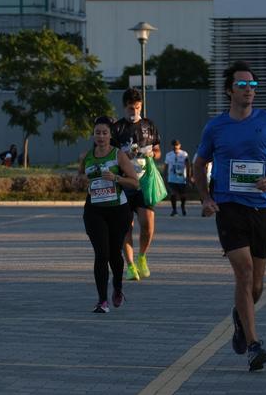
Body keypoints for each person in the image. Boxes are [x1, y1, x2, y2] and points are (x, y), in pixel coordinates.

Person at [194, 61, 266, 372]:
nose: (249, 90)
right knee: (245, 272)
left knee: (258, 285)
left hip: (261, 208)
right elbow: (198, 164)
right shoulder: (216, 127)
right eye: (242, 85)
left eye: (253, 86)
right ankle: (253, 345)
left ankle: (240, 316)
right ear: (229, 90)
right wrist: (207, 198)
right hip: (229, 207)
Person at [74, 116, 139, 313]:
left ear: (111, 135)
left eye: (104, 133)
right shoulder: (87, 156)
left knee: (114, 254)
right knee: (101, 254)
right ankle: (102, 300)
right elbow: (79, 179)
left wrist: (116, 178)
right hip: (94, 210)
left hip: (118, 210)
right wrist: (78, 181)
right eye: (97, 133)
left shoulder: (118, 155)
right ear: (93, 135)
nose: (101, 136)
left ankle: (118, 287)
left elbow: (135, 182)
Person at [111, 88, 161, 281]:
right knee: (126, 227)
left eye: (138, 108)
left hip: (144, 182)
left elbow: (157, 151)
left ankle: (142, 257)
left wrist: (151, 154)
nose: (135, 112)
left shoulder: (149, 125)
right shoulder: (117, 128)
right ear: (124, 107)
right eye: (131, 109)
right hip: (123, 183)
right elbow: (111, 156)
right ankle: (130, 266)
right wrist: (124, 156)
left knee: (147, 225)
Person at [164, 139, 189, 216]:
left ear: (179, 145)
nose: (175, 146)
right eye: (174, 145)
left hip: (182, 178)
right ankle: (174, 210)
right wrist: (165, 175)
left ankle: (183, 206)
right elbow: (166, 166)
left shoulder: (184, 154)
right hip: (172, 177)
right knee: (173, 194)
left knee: (183, 195)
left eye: (177, 145)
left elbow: (188, 165)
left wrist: (189, 176)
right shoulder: (169, 155)